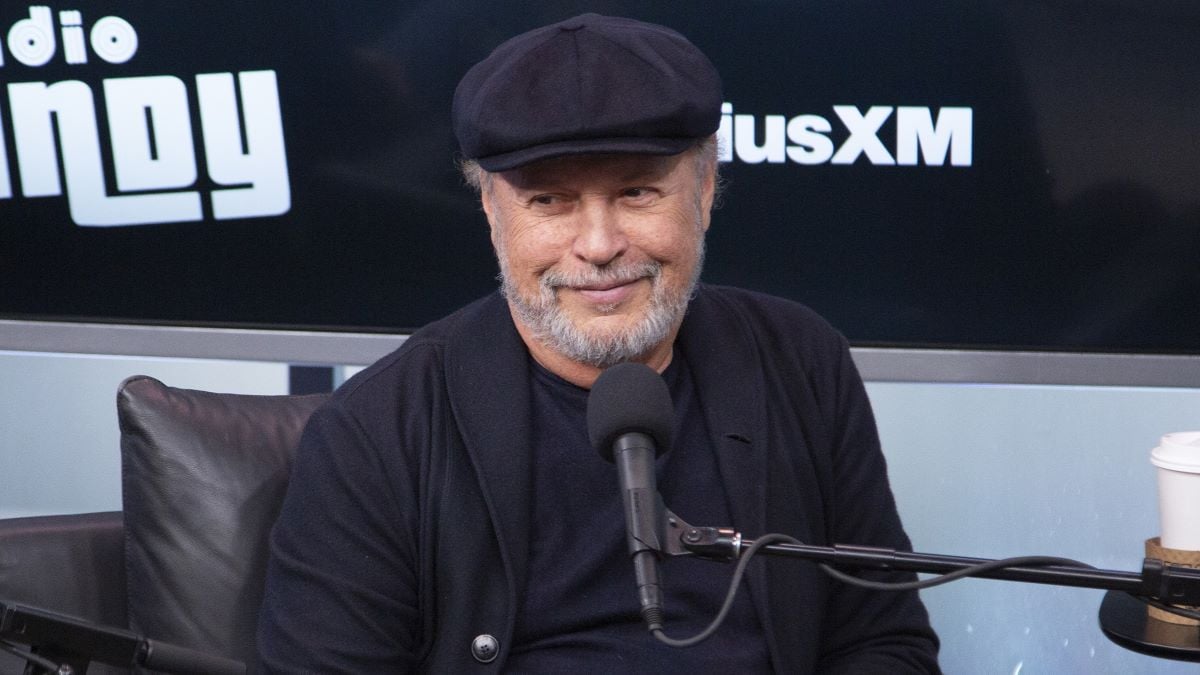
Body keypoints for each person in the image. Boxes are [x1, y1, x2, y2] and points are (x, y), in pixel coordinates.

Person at [257, 13, 940, 673]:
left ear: (704, 190)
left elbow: (885, 643)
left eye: (637, 192)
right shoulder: (375, 432)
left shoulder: (801, 362)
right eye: (549, 202)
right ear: (492, 210)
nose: (598, 246)